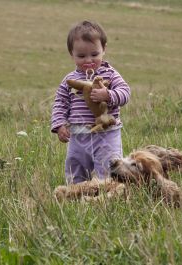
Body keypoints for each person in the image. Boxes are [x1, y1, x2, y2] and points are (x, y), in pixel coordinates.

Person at [51, 20, 131, 184]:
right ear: (71, 54)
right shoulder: (70, 80)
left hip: (107, 133)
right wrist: (59, 125)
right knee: (76, 169)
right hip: (78, 136)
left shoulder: (110, 74)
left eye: (94, 54)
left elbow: (125, 93)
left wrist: (108, 95)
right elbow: (60, 103)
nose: (88, 60)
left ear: (104, 50)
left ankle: (107, 197)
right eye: (81, 56)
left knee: (109, 170)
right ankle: (75, 194)